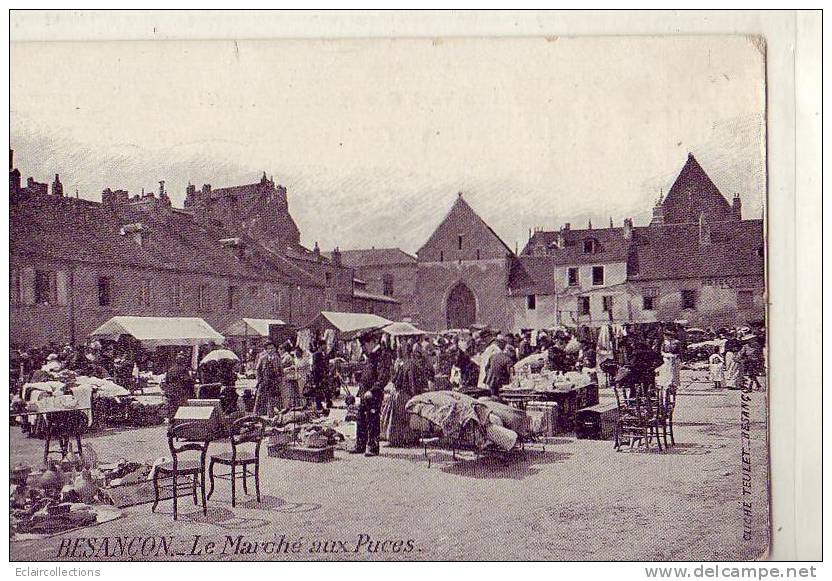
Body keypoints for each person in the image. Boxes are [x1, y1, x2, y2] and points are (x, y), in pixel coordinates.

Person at [351, 331, 392, 457]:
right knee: (361, 418)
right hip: (365, 393)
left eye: (364, 345)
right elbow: (368, 373)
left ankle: (373, 447)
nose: (363, 348)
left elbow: (383, 377)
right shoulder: (370, 355)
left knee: (373, 420)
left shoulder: (382, 355)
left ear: (372, 342)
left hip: (373, 394)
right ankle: (360, 444)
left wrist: (373, 390)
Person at [164, 352, 195, 420]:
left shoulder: (170, 369)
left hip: (171, 391)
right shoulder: (184, 369)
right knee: (182, 409)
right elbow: (187, 381)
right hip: (180, 391)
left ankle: (172, 423)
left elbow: (166, 381)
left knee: (172, 408)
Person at [253, 342, 282, 416]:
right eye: (269, 349)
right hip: (264, 380)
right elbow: (257, 369)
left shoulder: (277, 359)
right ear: (266, 350)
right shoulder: (262, 358)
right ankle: (255, 415)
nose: (271, 350)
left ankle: (271, 415)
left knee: (272, 398)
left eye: (272, 348)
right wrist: (259, 379)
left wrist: (279, 379)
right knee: (259, 397)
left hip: (273, 381)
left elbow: (281, 370)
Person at [309, 340, 332, 413]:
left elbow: (324, 365)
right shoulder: (316, 354)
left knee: (326, 390)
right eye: (324, 345)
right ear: (320, 345)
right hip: (318, 376)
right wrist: (319, 376)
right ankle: (319, 406)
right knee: (318, 391)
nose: (326, 346)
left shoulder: (323, 354)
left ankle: (327, 403)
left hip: (323, 375)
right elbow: (315, 367)